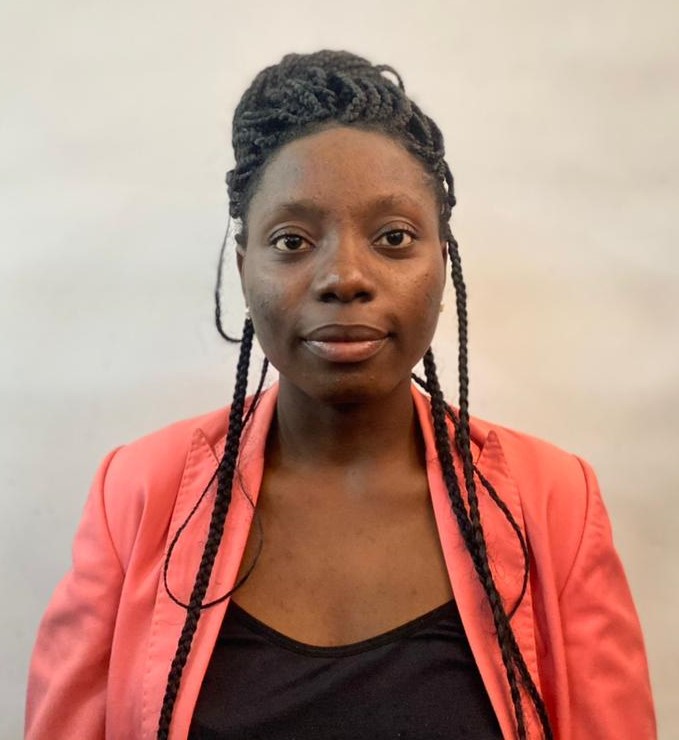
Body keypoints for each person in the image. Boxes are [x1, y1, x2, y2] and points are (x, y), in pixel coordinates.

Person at [26, 50, 656, 740]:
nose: (344, 277)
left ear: (441, 260)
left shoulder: (554, 502)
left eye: (393, 237)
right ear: (245, 267)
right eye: (293, 240)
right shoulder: (137, 494)